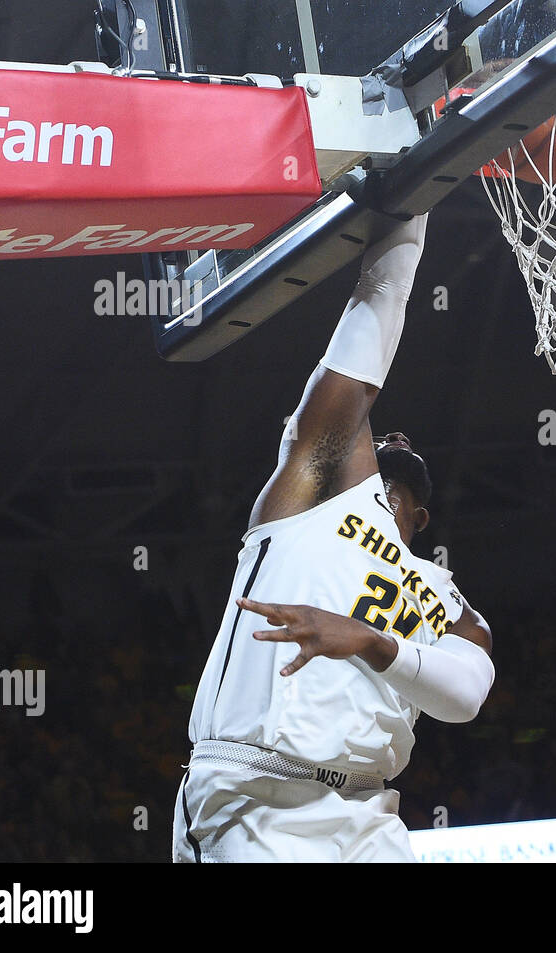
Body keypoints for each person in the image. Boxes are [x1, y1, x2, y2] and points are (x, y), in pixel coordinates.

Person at [173, 214, 496, 862]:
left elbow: (466, 695)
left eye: (404, 438)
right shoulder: (312, 500)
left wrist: (373, 642)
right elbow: (356, 368)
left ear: (423, 518)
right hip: (257, 798)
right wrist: (412, 212)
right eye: (382, 438)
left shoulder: (448, 599)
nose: (394, 436)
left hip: (368, 810)